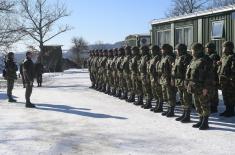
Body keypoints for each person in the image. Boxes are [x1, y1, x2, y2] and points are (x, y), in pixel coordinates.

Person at [186, 43, 213, 130]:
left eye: (193, 50)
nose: (191, 51)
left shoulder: (205, 60)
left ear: (198, 50)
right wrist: (189, 84)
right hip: (194, 86)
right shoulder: (193, 60)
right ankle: (200, 120)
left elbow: (209, 75)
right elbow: (190, 74)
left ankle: (205, 122)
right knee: (197, 104)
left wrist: (206, 88)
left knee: (204, 104)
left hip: (202, 86)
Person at [172, 44, 192, 122]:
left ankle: (187, 115)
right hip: (179, 81)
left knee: (186, 98)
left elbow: (188, 72)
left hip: (184, 81)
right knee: (182, 98)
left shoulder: (187, 58)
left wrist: (187, 82)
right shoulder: (178, 58)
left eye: (177, 50)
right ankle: (184, 113)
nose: (176, 51)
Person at [217, 41, 235, 117]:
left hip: (229, 81)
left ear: (230, 48)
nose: (223, 49)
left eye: (225, 47)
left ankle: (231, 111)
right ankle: (227, 110)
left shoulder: (232, 57)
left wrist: (232, 80)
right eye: (223, 47)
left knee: (231, 97)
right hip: (223, 81)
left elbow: (233, 69)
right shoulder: (223, 56)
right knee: (225, 96)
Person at [205, 42, 220, 113]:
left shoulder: (214, 56)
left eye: (208, 48)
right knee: (209, 92)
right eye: (206, 48)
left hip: (213, 76)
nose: (206, 49)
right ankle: (211, 105)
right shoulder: (207, 56)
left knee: (214, 92)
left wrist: (214, 78)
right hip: (208, 77)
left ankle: (214, 107)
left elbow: (214, 67)